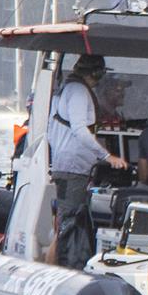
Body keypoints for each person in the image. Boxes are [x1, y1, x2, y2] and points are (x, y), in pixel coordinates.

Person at [48, 54, 127, 268]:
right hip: (73, 168)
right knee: (70, 220)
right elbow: (80, 130)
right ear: (97, 74)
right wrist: (107, 156)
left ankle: (67, 263)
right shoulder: (78, 92)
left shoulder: (64, 90)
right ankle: (65, 267)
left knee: (69, 219)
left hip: (67, 166)